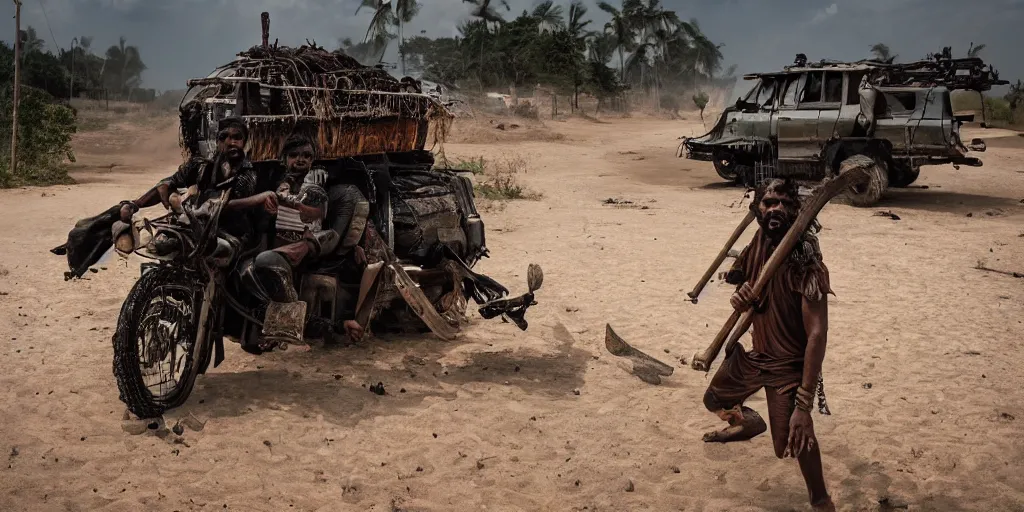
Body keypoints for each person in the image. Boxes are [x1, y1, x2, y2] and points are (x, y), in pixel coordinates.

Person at [702, 178, 836, 512]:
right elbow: (740, 273)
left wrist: (803, 405)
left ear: (795, 210)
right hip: (756, 354)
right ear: (757, 208)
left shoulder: (806, 262)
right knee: (714, 399)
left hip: (786, 364)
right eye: (768, 202)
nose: (775, 208)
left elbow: (817, 334)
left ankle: (820, 501)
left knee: (789, 442)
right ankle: (747, 421)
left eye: (783, 203)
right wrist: (742, 289)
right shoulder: (759, 239)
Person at [247, 135, 369, 344]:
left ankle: (293, 317)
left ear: (313, 160)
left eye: (306, 156)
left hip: (306, 249)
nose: (300, 160)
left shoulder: (314, 186)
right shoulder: (278, 183)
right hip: (280, 248)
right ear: (284, 159)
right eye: (294, 155)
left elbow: (313, 212)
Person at [118, 117, 278, 259]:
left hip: (232, 233)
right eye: (225, 137)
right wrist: (137, 204)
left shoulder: (247, 172)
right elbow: (171, 182)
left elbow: (231, 205)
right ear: (218, 141)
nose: (231, 142)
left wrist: (261, 197)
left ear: (244, 142)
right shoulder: (201, 165)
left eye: (237, 138)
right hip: (196, 226)